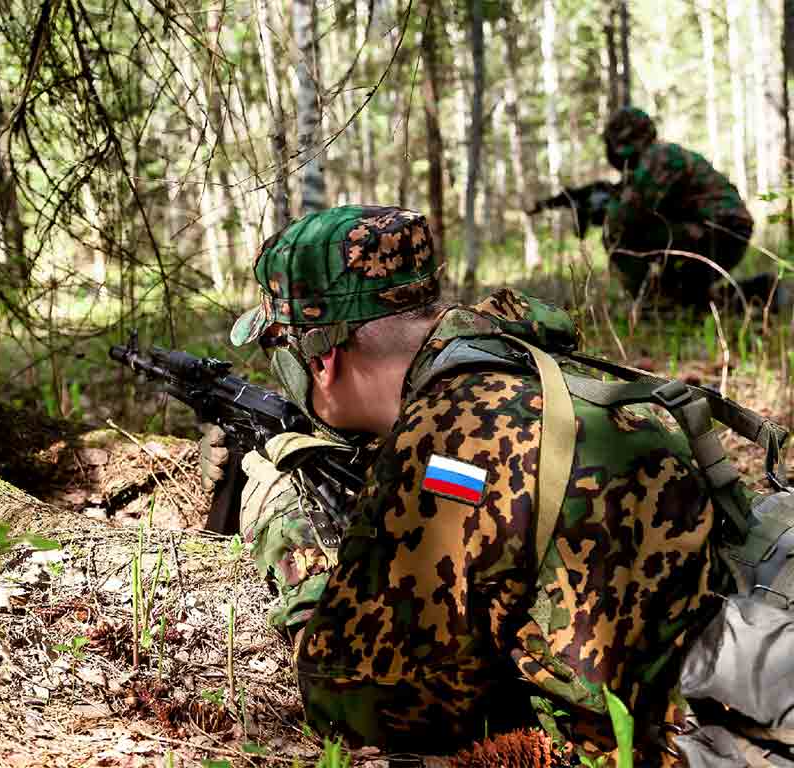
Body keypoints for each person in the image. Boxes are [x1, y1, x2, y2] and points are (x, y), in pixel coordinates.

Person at [206, 205, 738, 764]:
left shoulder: (441, 436)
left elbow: (354, 702)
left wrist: (289, 533)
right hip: (726, 699)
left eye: (278, 352)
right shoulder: (546, 374)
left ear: (321, 359)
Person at [601, 106, 755, 308]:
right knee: (690, 298)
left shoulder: (658, 156)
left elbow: (627, 216)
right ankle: (759, 291)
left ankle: (655, 304)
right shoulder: (662, 155)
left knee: (616, 236)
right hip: (722, 231)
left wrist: (603, 209)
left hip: (718, 232)